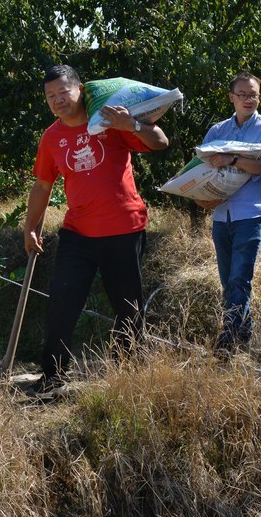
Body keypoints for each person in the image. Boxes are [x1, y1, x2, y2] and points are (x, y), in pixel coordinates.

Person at [23, 65, 169, 395]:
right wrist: (30, 228)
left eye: (63, 92)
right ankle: (52, 375)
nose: (58, 100)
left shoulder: (109, 120)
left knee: (127, 307)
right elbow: (43, 185)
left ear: (80, 90)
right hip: (78, 233)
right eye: (50, 96)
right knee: (61, 302)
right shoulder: (51, 137)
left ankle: (129, 376)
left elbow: (160, 141)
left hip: (123, 227)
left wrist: (130, 124)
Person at [197, 72, 261, 351]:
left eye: (254, 94)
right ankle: (244, 334)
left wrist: (233, 158)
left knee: (239, 277)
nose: (249, 100)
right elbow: (203, 171)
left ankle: (228, 339)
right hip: (221, 214)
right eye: (243, 94)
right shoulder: (217, 131)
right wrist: (200, 198)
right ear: (231, 97)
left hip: (250, 213)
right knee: (227, 279)